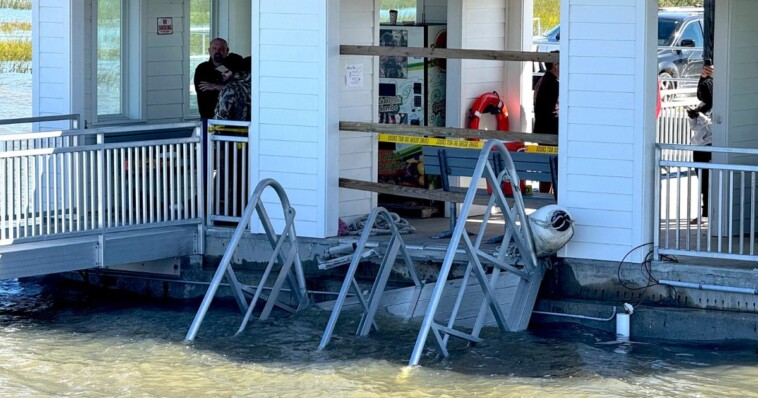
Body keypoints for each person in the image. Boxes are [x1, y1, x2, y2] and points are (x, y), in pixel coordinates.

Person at [213, 53, 251, 217]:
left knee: (228, 179)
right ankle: (246, 212)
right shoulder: (255, 84)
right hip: (250, 140)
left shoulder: (230, 88)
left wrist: (213, 131)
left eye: (226, 71)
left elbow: (222, 115)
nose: (223, 74)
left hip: (229, 141)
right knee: (246, 177)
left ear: (235, 71)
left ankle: (229, 214)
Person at [687, 61, 714, 224]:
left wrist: (702, 118)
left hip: (710, 146)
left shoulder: (719, 106)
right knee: (702, 181)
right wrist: (693, 117)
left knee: (711, 181)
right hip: (698, 146)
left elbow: (714, 126)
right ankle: (704, 213)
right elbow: (695, 127)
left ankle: (712, 213)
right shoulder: (702, 105)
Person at [533, 50, 559, 194]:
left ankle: (545, 198)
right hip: (551, 135)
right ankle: (551, 200)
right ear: (555, 64)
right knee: (554, 171)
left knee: (547, 171)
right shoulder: (553, 84)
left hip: (541, 131)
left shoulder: (543, 80)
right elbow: (552, 111)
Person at [194, 38, 229, 119]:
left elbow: (237, 89)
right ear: (209, 51)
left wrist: (214, 86)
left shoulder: (233, 68)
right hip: (208, 118)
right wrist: (223, 87)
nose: (218, 51)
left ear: (227, 51)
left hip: (230, 119)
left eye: (221, 48)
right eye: (215, 48)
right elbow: (203, 89)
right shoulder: (202, 69)